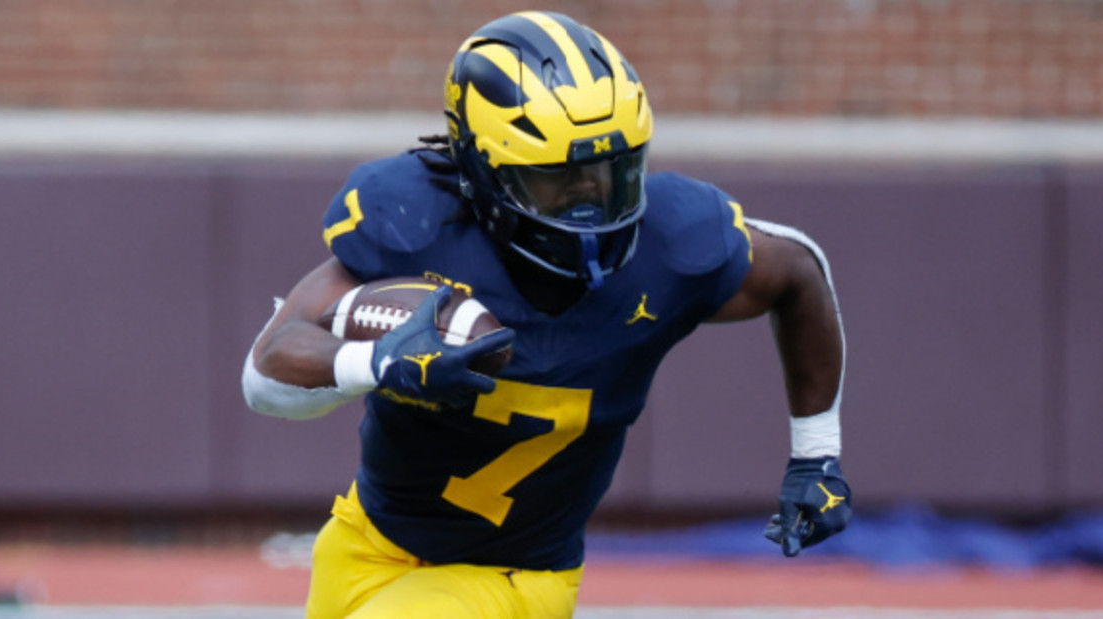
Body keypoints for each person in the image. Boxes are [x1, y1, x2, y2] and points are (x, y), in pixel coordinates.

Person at [242, 10, 850, 618]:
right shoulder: (416, 225)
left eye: (614, 171)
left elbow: (799, 271)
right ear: (482, 170)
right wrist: (380, 363)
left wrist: (816, 455)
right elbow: (264, 376)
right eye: (557, 180)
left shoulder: (672, 244)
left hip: (513, 578)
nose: (593, 200)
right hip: (365, 542)